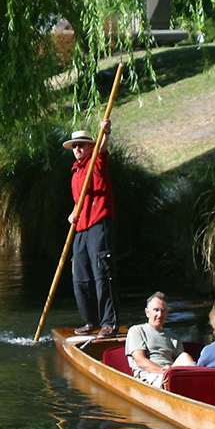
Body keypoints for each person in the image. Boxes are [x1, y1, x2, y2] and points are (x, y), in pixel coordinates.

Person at [64, 120, 118, 338]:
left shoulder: (96, 161)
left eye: (81, 145)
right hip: (81, 228)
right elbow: (80, 201)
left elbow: (102, 147)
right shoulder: (76, 172)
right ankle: (90, 321)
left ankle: (109, 323)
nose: (77, 149)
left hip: (98, 224)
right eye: (75, 146)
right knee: (80, 276)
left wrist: (105, 131)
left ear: (89, 147)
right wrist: (72, 213)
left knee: (101, 274)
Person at [125, 292, 196, 387]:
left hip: (170, 373)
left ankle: (197, 386)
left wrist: (171, 372)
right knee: (169, 380)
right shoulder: (137, 330)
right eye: (156, 310)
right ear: (147, 312)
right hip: (149, 375)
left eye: (163, 311)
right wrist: (164, 372)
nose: (159, 314)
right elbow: (140, 360)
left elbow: (181, 363)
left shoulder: (173, 336)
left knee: (185, 356)